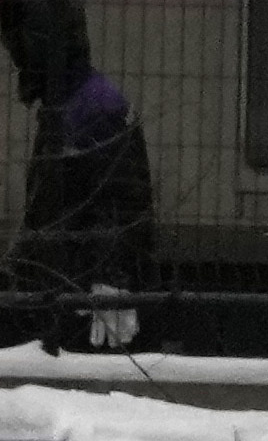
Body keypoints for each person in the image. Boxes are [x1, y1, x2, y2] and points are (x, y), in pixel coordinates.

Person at [14, 65, 160, 346]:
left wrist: (111, 276)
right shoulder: (75, 101)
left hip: (82, 282)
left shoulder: (90, 108)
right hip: (76, 275)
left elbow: (115, 196)